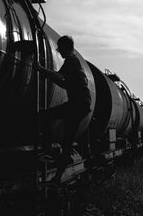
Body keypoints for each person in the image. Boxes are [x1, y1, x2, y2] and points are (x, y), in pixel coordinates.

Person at [38, 35, 92, 184]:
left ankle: (47, 151)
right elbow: (65, 83)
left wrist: (41, 69)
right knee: (67, 140)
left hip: (78, 104)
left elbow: (58, 76)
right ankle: (58, 174)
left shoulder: (71, 60)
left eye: (60, 49)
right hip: (81, 104)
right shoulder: (74, 62)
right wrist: (48, 75)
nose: (59, 52)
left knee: (44, 116)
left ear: (65, 48)